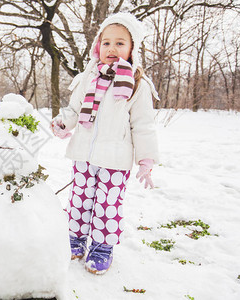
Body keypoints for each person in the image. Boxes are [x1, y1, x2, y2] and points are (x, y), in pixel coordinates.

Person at [50, 12, 160, 275]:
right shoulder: (88, 77)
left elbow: (143, 125)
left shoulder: (137, 84)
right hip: (83, 154)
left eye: (120, 43)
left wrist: (145, 160)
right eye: (107, 42)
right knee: (79, 200)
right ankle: (75, 238)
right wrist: (64, 123)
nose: (112, 48)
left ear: (132, 48)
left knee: (106, 206)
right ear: (98, 45)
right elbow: (74, 109)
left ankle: (101, 246)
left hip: (115, 159)